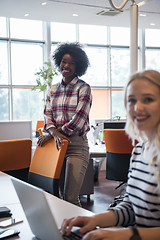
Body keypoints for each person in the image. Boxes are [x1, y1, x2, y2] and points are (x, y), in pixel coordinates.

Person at [61, 69, 160, 240]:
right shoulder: (139, 151)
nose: (138, 107)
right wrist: (93, 219)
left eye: (148, 99)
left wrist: (127, 234)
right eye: (131, 101)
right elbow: (130, 207)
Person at [37, 42, 92, 207]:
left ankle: (81, 233)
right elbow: (48, 115)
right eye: (64, 61)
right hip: (56, 145)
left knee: (70, 198)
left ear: (78, 66)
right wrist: (53, 134)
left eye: (72, 63)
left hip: (76, 146)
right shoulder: (53, 89)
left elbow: (79, 119)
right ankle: (63, 232)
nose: (66, 65)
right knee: (58, 197)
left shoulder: (83, 88)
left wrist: (55, 132)